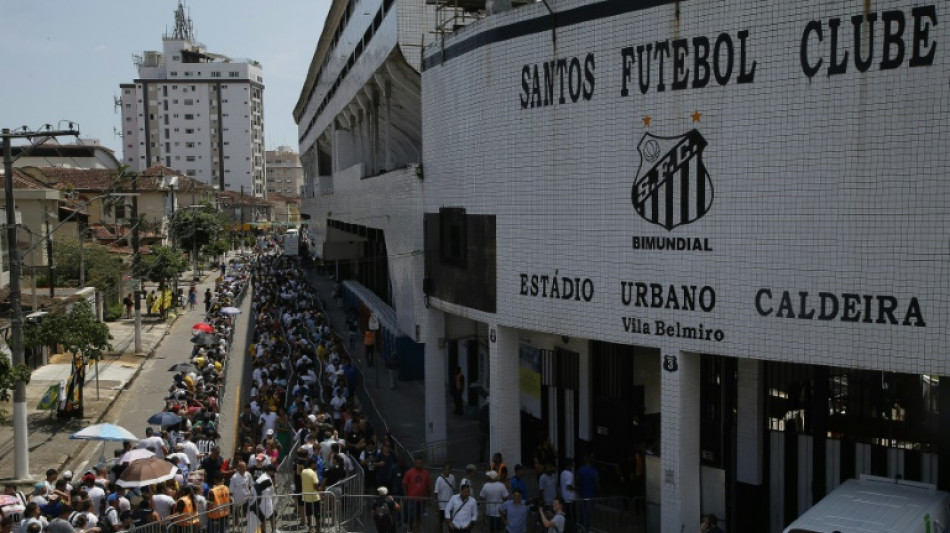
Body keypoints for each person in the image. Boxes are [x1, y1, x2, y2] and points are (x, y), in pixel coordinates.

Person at [402, 457, 432, 533]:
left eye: (420, 463)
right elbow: (404, 484)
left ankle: (418, 530)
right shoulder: (409, 472)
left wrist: (429, 497)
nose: (419, 464)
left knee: (419, 516)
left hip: (422, 499)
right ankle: (410, 530)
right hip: (412, 499)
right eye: (418, 463)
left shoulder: (426, 473)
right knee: (411, 516)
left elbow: (429, 487)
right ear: (414, 463)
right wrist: (406, 495)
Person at [300, 457, 321, 533]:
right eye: (315, 464)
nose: (316, 465)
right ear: (312, 464)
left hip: (305, 496)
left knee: (308, 514)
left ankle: (310, 528)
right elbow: (315, 485)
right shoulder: (313, 473)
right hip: (314, 497)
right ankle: (318, 530)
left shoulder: (303, 472)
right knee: (317, 514)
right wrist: (320, 491)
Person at [433, 464, 456, 533]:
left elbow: (453, 489)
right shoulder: (439, 479)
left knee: (450, 522)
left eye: (449, 469)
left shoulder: (452, 477)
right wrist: (437, 504)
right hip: (442, 505)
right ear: (443, 469)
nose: (447, 471)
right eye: (446, 469)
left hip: (450, 505)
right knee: (440, 522)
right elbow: (436, 492)